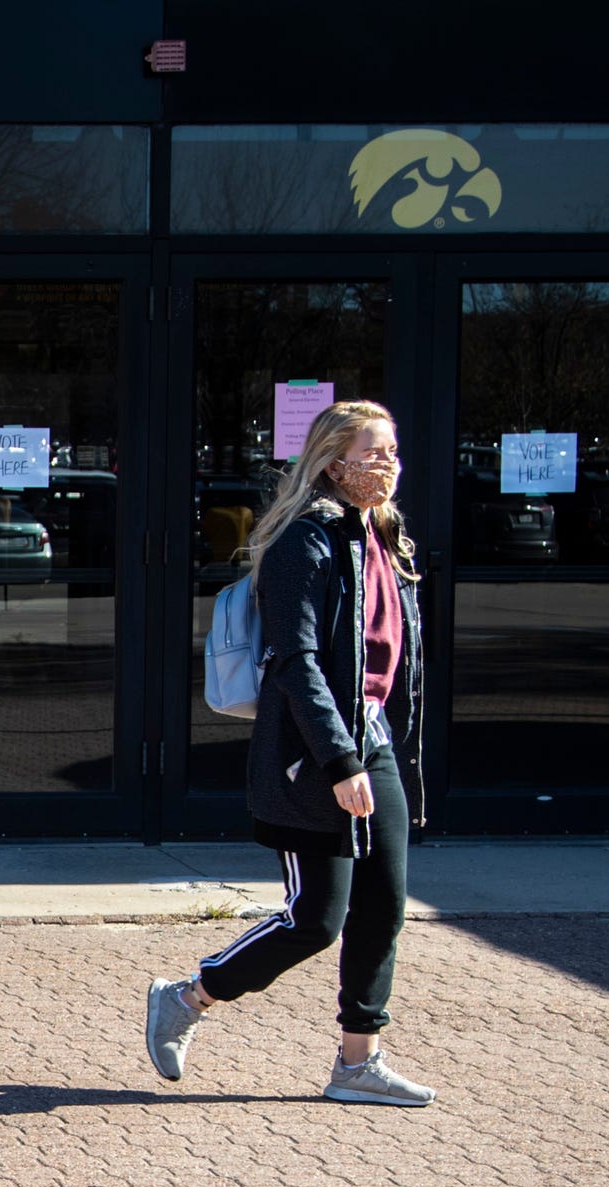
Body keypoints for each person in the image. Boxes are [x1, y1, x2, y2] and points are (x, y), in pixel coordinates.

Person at [145, 398, 436, 1106]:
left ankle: (358, 1063)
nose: (388, 464)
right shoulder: (307, 543)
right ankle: (187, 996)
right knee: (315, 919)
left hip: (373, 741)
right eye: (373, 452)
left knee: (383, 908)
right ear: (334, 461)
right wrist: (339, 763)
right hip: (316, 751)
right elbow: (296, 663)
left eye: (393, 451)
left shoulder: (383, 539)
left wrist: (380, 749)